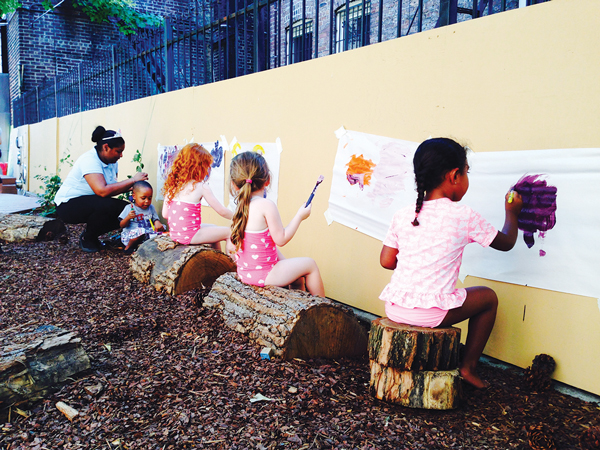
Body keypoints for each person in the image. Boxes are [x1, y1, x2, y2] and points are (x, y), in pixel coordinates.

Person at [379, 137, 523, 389]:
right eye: (467, 173)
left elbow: (386, 261)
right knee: (488, 298)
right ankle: (468, 367)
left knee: (460, 296)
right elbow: (506, 242)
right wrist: (512, 213)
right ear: (454, 176)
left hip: (395, 308)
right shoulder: (463, 215)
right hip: (431, 313)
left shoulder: (403, 214)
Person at [229, 151, 324, 297]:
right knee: (310, 264)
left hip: (245, 273)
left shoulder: (240, 207)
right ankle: (323, 310)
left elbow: (258, 244)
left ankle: (298, 306)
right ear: (267, 180)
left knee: (297, 278)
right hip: (264, 275)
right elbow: (281, 239)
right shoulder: (266, 205)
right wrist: (299, 216)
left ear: (235, 185)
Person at [55, 126, 148, 252]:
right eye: (118, 151)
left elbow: (111, 189)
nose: (121, 155)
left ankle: (112, 237)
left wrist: (134, 188)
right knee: (109, 207)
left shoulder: (112, 162)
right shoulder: (89, 160)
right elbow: (102, 191)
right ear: (105, 147)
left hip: (90, 201)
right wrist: (132, 180)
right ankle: (88, 238)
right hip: (67, 205)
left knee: (126, 210)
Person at [162, 143, 232, 250]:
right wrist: (239, 217)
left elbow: (165, 214)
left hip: (175, 234)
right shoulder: (201, 187)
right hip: (190, 235)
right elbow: (221, 211)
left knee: (215, 228)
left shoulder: (173, 185)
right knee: (230, 232)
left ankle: (217, 260)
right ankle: (229, 265)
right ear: (199, 168)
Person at [119, 180, 165, 254]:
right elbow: (122, 225)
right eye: (143, 198)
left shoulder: (151, 207)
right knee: (140, 231)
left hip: (146, 234)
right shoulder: (129, 208)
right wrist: (128, 217)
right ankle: (128, 248)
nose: (147, 201)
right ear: (134, 196)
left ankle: (142, 247)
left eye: (149, 198)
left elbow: (155, 219)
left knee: (163, 228)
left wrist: (157, 222)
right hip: (131, 236)